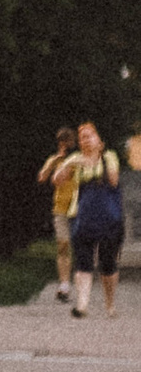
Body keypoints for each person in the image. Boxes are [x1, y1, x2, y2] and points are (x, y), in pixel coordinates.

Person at [64, 121, 123, 320]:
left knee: (107, 264)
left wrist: (94, 162)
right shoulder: (76, 160)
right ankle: (81, 306)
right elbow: (57, 179)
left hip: (109, 220)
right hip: (84, 219)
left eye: (90, 136)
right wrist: (66, 164)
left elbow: (113, 180)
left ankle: (110, 304)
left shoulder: (109, 157)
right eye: (83, 137)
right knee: (83, 262)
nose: (86, 140)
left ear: (100, 141)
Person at [41, 127, 81, 305]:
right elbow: (42, 177)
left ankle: (80, 281)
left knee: (80, 246)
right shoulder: (55, 160)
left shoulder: (79, 160)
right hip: (61, 208)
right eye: (63, 144)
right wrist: (54, 162)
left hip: (79, 207)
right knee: (63, 245)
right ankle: (64, 284)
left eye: (70, 143)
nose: (67, 147)